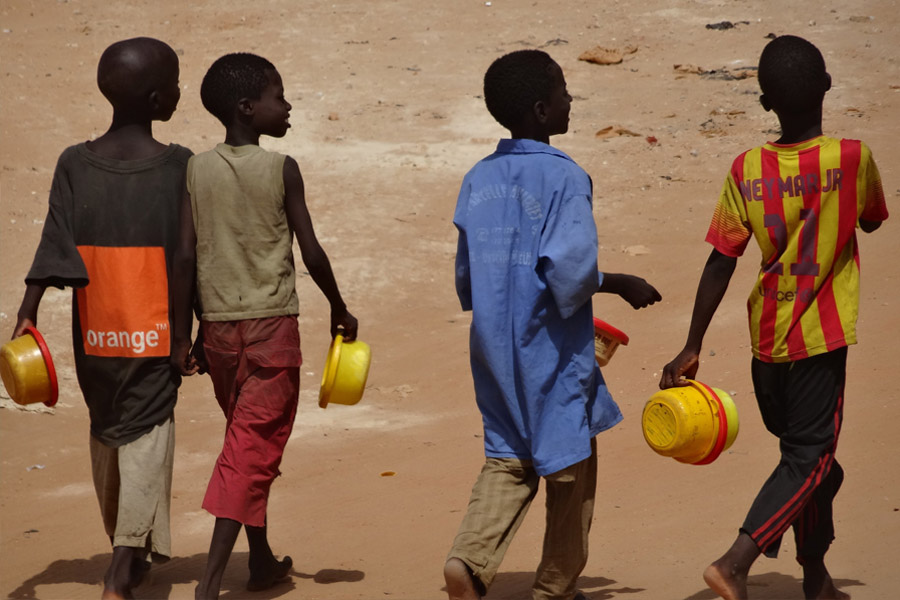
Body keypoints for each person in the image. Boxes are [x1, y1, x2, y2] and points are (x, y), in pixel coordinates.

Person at [660, 35, 888, 600]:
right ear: (828, 86)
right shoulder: (852, 157)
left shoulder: (747, 169)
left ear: (765, 103)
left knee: (814, 467)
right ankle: (735, 562)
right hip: (818, 338)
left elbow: (721, 259)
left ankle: (815, 577)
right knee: (811, 461)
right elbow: (874, 219)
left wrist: (692, 344)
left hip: (766, 344)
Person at [444, 49, 661, 600]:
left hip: (493, 350)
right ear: (542, 110)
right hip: (552, 353)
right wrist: (619, 281)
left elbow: (468, 281)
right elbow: (570, 277)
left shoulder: (477, 178)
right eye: (564, 91)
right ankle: (556, 586)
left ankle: (468, 561)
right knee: (571, 461)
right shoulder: (564, 176)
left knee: (507, 457)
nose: (571, 100)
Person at [170, 52, 358, 600]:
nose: (288, 104)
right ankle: (208, 587)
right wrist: (339, 308)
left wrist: (184, 336)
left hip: (219, 334)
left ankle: (261, 560)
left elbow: (184, 257)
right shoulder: (282, 168)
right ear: (249, 108)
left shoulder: (195, 169)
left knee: (247, 447)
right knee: (249, 454)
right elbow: (313, 252)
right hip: (272, 331)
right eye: (279, 96)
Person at [11, 37, 189, 600]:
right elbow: (191, 255)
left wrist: (27, 309)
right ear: (161, 98)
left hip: (96, 330)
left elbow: (52, 240)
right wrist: (196, 331)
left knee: (110, 431)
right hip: (158, 329)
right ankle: (119, 566)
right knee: (150, 432)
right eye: (177, 84)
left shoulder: (73, 162)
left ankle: (129, 551)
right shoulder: (181, 165)